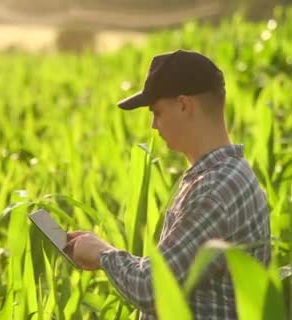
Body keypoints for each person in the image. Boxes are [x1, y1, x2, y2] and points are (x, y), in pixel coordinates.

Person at [64, 49, 271, 319]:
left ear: (184, 105)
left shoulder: (213, 189)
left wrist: (103, 254)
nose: (153, 125)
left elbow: (154, 287)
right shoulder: (234, 173)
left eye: (157, 111)